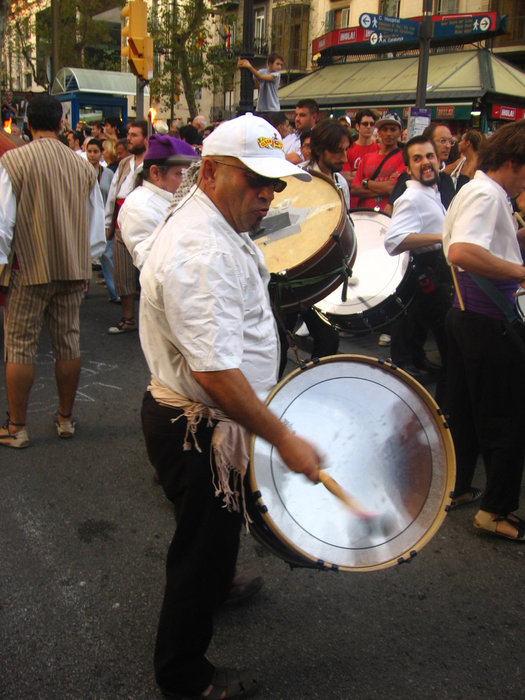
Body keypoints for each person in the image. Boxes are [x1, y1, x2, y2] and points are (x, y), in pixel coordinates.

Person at [139, 113, 320, 698]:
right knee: (200, 549)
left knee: (213, 535)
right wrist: (283, 436)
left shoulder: (215, 219)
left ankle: (218, 585)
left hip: (206, 420)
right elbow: (215, 374)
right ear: (212, 172)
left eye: (276, 184)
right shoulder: (200, 250)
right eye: (255, 181)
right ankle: (186, 677)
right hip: (197, 426)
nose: (267, 195)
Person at [0, 94, 105, 448]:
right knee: (67, 343)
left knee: (19, 347)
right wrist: (87, 259)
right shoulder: (82, 167)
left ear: (27, 124)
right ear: (61, 124)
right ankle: (65, 419)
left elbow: (3, 225)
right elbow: (95, 225)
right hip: (72, 268)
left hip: (28, 268)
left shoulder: (15, 161)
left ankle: (17, 427)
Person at [443, 119, 525, 541]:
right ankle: (495, 512)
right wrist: (521, 270)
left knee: (466, 413)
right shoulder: (489, 194)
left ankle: (456, 488)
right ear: (512, 162)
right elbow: (463, 252)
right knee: (507, 418)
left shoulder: (476, 190)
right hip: (484, 319)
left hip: (464, 316)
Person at [384, 136, 451, 401]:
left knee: (439, 343)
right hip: (429, 273)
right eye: (417, 158)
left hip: (438, 272)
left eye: (429, 156)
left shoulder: (432, 192)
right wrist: (440, 237)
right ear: (408, 168)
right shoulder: (411, 197)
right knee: (449, 347)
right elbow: (394, 241)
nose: (426, 163)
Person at [119, 134, 198, 270]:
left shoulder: (173, 200)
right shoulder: (139, 206)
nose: (188, 182)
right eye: (180, 174)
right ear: (155, 173)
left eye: (190, 175)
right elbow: (151, 263)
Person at [104, 120, 148, 334]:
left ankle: (155, 323)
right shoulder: (124, 163)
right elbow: (113, 193)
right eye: (129, 134)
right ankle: (128, 318)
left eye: (134, 135)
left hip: (144, 222)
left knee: (148, 273)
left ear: (146, 139)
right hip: (122, 220)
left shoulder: (152, 163)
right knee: (122, 272)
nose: (129, 138)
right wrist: (108, 224)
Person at [351, 113, 404, 211]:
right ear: (379, 132)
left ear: (400, 132)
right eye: (385, 129)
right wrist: (384, 188)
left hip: (388, 215)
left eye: (393, 129)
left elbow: (392, 188)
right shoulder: (367, 157)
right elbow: (354, 189)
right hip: (364, 214)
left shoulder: (404, 158)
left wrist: (366, 183)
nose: (389, 133)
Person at [341, 109, 379, 209]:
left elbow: (384, 178)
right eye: (365, 124)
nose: (369, 127)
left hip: (375, 205)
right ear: (357, 126)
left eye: (371, 124)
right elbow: (346, 179)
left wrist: (357, 174)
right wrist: (373, 180)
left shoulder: (380, 149)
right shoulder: (348, 149)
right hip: (354, 205)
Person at [283, 98, 319, 164]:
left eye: (302, 115)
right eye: (296, 115)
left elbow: (296, 159)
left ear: (314, 117)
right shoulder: (290, 138)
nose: (297, 119)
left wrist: (278, 158)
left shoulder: (318, 137)